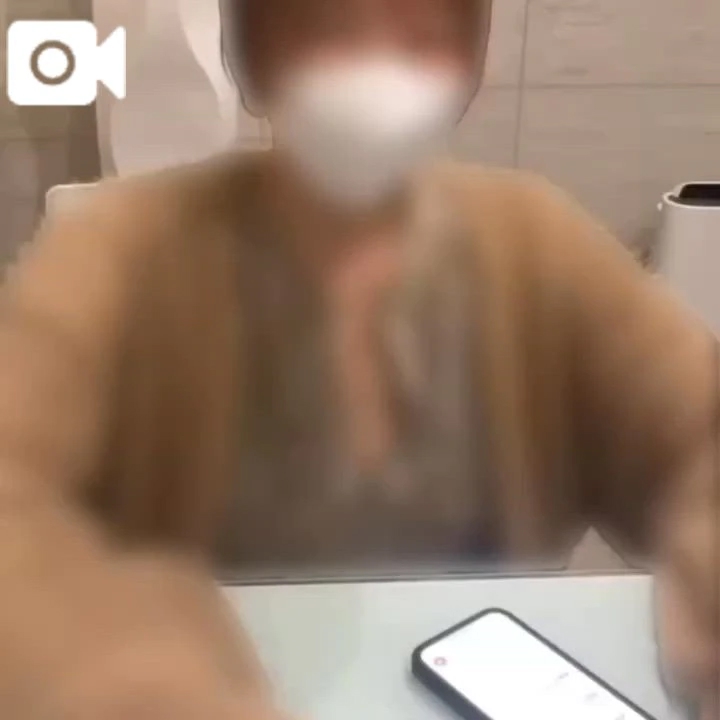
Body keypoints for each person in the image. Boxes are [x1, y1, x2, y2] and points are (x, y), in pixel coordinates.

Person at [0, 0, 716, 717]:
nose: (372, 71)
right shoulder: (123, 252)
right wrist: (102, 659)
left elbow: (691, 419)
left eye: (419, 35)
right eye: (329, 31)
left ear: (469, 65)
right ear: (251, 57)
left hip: (467, 676)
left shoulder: (532, 243)